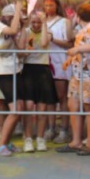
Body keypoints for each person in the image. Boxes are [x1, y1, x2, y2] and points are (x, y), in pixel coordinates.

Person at [0, 3, 26, 157]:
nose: (17, 22)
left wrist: (19, 35)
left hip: (14, 71)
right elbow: (12, 29)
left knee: (19, 108)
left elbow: (19, 52)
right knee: (16, 108)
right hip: (2, 73)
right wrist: (18, 10)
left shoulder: (11, 32)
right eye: (14, 18)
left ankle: (7, 141)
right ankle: (2, 144)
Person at [23, 11, 56, 151]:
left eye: (38, 22)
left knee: (42, 109)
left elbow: (43, 43)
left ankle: (41, 138)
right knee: (29, 107)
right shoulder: (25, 32)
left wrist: (44, 25)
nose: (36, 25)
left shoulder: (47, 31)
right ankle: (28, 138)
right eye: (33, 22)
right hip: (28, 69)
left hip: (43, 69)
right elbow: (24, 49)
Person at [43, 0, 73, 145]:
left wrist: (53, 39)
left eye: (51, 5)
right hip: (44, 62)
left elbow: (70, 44)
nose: (48, 8)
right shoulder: (40, 21)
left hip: (60, 62)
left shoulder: (65, 22)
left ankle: (64, 129)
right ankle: (50, 127)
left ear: (57, 6)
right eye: (46, 5)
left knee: (62, 97)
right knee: (48, 98)